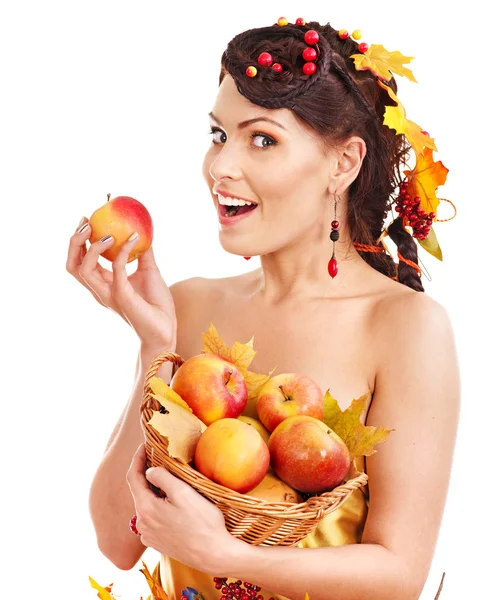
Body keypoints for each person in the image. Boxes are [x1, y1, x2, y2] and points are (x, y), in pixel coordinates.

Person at [67, 17, 460, 600]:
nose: (221, 168)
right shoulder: (190, 305)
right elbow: (116, 542)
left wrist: (227, 556)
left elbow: (399, 575)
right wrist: (156, 347)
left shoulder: (404, 328)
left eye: (263, 139)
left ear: (343, 164)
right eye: (219, 134)